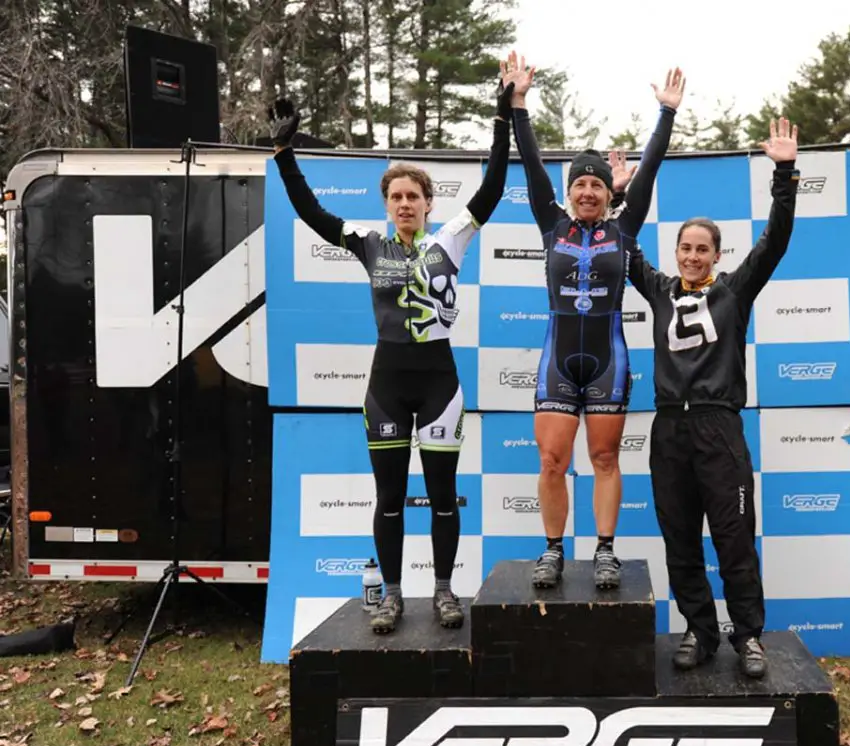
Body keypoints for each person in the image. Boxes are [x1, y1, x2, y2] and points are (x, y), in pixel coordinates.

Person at [266, 66, 518, 633]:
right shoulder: (368, 241)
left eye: (414, 196)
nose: (405, 203)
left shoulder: (450, 238)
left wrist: (502, 119)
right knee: (388, 499)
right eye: (397, 196)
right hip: (386, 383)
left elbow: (495, 187)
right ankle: (394, 596)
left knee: (443, 497)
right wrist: (284, 152)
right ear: (386, 203)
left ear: (430, 202)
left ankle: (446, 592)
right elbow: (311, 213)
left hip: (439, 381)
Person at [501, 51, 686, 591]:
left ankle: (606, 551)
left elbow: (647, 172)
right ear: (569, 192)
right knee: (552, 460)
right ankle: (553, 550)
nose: (587, 191)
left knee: (605, 458)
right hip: (558, 358)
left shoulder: (624, 230)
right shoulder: (550, 221)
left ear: (609, 195)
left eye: (597, 185)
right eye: (580, 184)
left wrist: (666, 114)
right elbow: (532, 163)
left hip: (608, 359)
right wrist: (519, 107)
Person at [624, 116, 801, 679]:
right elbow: (622, 243)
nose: (694, 256)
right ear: (675, 253)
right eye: (686, 248)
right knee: (680, 541)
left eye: (703, 249)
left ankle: (749, 637)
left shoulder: (734, 291)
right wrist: (627, 190)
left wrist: (785, 173)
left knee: (733, 540)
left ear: (718, 257)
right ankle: (699, 631)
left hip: (719, 429)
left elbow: (775, 242)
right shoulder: (656, 288)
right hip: (668, 432)